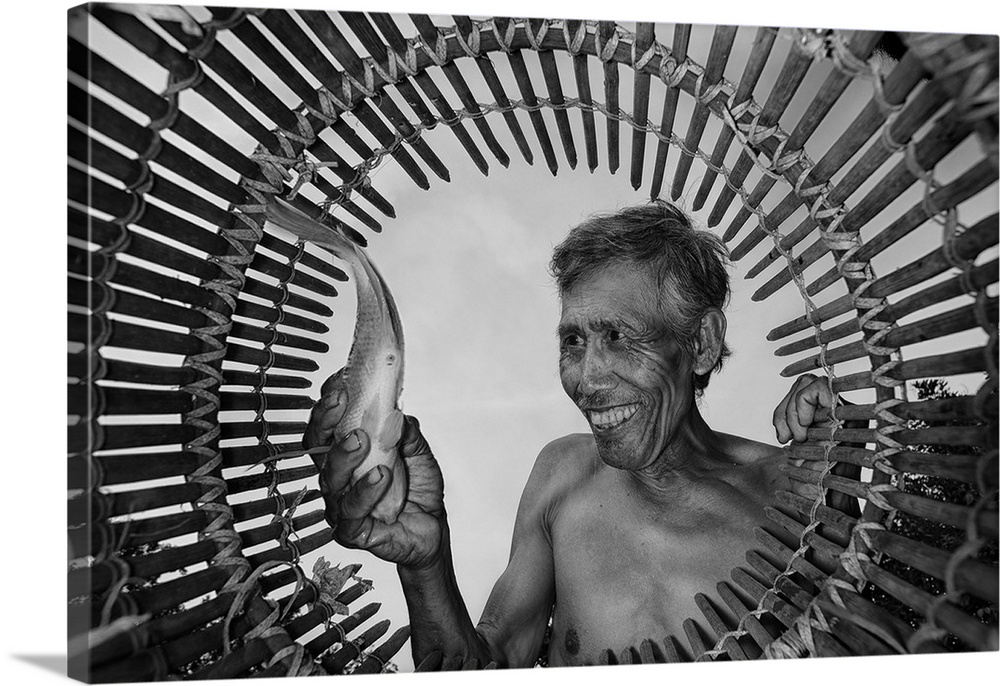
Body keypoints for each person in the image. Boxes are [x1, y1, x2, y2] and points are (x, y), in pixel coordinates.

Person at [303, 201, 843, 667]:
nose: (587, 379)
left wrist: (839, 478)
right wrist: (427, 565)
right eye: (573, 341)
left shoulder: (796, 494)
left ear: (700, 343)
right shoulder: (562, 475)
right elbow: (489, 663)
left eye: (618, 335)